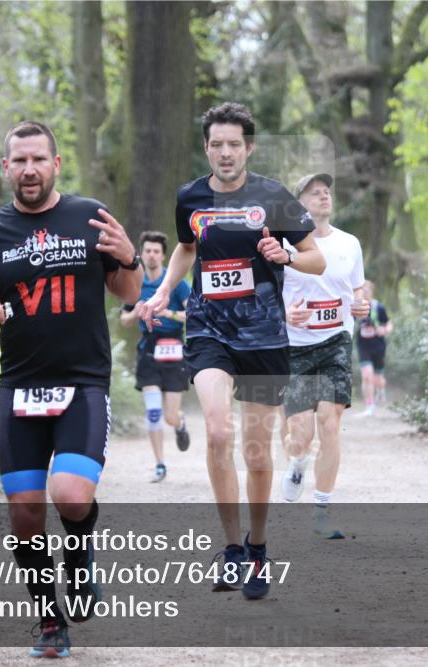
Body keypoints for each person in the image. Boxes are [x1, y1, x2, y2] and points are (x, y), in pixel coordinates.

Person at [0, 120, 142, 658]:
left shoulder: (89, 215)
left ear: (56, 164)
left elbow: (129, 291)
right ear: (5, 168)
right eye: (19, 161)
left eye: (39, 159)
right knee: (24, 513)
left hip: (82, 383)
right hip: (21, 388)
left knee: (71, 497)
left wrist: (128, 256)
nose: (29, 170)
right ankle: (50, 621)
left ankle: (79, 559)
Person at [139, 102, 324, 600]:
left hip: (264, 338)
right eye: (216, 144)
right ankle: (232, 550)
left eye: (234, 145)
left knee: (257, 451)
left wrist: (285, 255)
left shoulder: (273, 197)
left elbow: (316, 257)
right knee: (219, 430)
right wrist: (160, 293)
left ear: (249, 148)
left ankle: (258, 548)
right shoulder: (190, 197)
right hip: (208, 331)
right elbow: (186, 247)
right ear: (206, 147)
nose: (225, 152)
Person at [278, 173, 369, 539]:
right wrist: (285, 314)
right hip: (294, 346)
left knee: (330, 424)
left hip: (335, 341)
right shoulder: (282, 246)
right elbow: (265, 293)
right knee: (300, 435)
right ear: (299, 204)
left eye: (327, 191)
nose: (324, 196)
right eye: (314, 192)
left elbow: (358, 286)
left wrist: (362, 303)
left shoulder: (350, 242)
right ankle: (298, 461)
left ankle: (321, 510)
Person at [119, 230, 192, 483]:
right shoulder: (135, 282)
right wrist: (137, 312)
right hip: (148, 349)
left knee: (170, 416)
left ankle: (179, 423)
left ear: (163, 256)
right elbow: (124, 319)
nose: (151, 255)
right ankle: (160, 464)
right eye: (147, 251)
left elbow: (194, 315)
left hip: (173, 349)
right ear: (142, 253)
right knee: (152, 412)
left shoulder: (176, 283)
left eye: (156, 251)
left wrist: (168, 313)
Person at [355, 280, 393, 416]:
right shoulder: (356, 307)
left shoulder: (378, 307)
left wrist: (385, 330)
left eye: (367, 289)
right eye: (362, 289)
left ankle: (380, 390)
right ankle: (369, 406)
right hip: (363, 346)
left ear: (371, 291)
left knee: (378, 379)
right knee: (366, 375)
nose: (365, 291)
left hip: (378, 346)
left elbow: (389, 323)